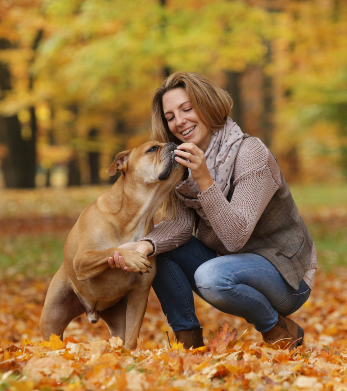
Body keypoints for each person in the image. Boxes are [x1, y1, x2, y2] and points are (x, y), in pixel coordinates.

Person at [108, 71, 317, 349]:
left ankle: (278, 329)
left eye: (187, 108)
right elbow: (180, 227)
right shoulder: (182, 164)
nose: (180, 121)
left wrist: (205, 180)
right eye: (170, 117)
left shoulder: (250, 152)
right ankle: (189, 343)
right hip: (231, 264)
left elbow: (235, 237)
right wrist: (145, 246)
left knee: (212, 277)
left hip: (284, 274)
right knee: (162, 250)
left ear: (206, 104)